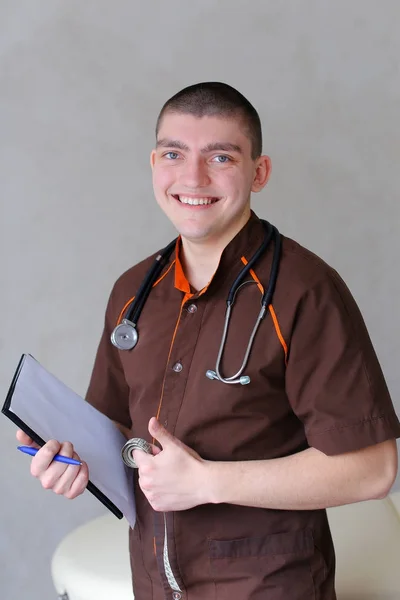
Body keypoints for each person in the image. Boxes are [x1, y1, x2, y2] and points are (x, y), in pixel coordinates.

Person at [17, 82, 400, 600]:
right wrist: (65, 452)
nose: (192, 178)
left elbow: (372, 469)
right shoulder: (133, 292)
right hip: (154, 584)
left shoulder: (305, 291)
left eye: (220, 157)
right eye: (174, 154)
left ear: (258, 173)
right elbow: (116, 436)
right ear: (154, 163)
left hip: (267, 588)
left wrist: (207, 482)